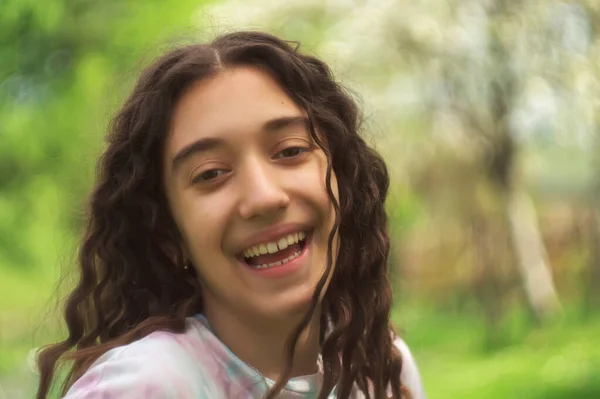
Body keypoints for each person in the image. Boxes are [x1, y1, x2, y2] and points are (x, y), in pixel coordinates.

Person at [36, 31, 426, 399]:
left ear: (342, 180)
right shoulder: (146, 386)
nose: (264, 197)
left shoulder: (380, 367)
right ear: (168, 234)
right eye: (211, 174)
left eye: (290, 150)